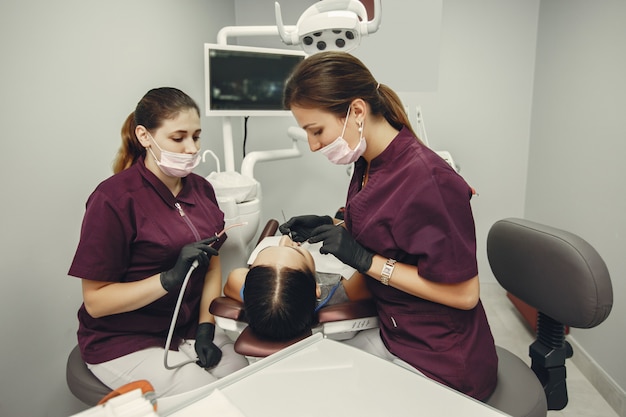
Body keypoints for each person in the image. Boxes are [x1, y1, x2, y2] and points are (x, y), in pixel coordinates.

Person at [279, 52, 498, 401]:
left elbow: (465, 294)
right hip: (397, 333)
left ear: (357, 112)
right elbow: (389, 226)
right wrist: (333, 223)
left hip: (441, 361)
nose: (313, 145)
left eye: (316, 130)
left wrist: (366, 261)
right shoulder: (370, 163)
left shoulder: (429, 180)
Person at [68, 87, 247, 398]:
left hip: (187, 329)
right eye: (178, 138)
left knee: (244, 377)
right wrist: (167, 280)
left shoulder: (202, 190)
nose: (192, 148)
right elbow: (96, 302)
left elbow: (212, 265)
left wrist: (205, 328)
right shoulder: (113, 199)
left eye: (196, 136)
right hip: (123, 339)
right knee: (202, 397)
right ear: (144, 136)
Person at [223, 234, 371, 342]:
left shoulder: (248, 290)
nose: (285, 239)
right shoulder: (349, 290)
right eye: (296, 249)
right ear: (316, 289)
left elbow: (236, 276)